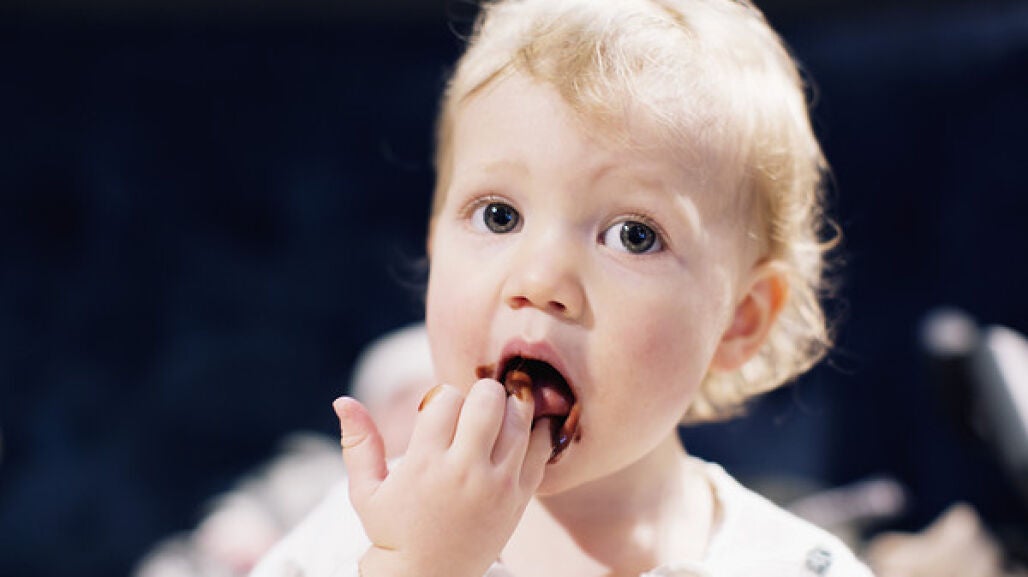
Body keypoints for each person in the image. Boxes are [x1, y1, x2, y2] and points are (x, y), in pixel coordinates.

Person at [252, 0, 872, 575]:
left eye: (633, 236)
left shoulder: (795, 566)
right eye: (499, 216)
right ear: (435, 245)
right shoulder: (356, 538)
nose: (540, 279)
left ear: (739, 320)